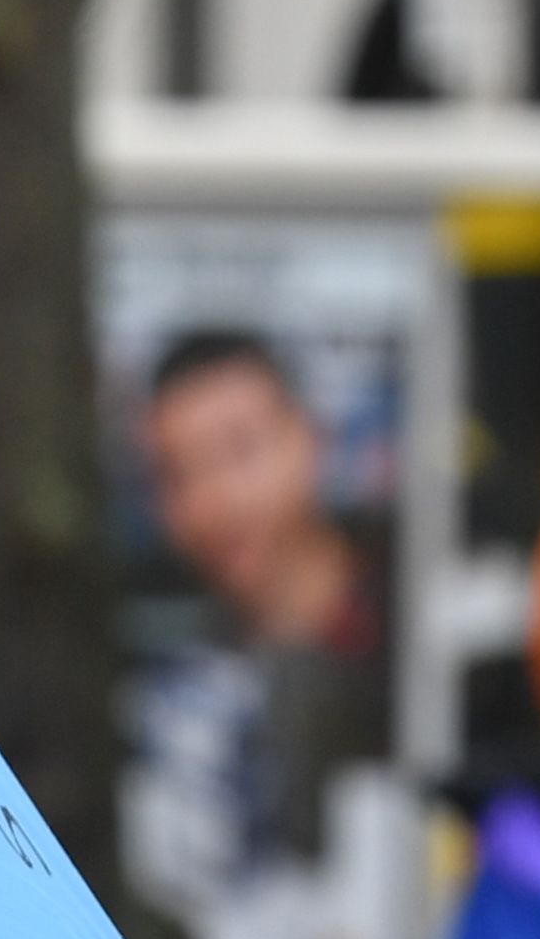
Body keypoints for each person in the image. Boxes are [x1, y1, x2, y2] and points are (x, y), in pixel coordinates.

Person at [138, 329, 390, 866]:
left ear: (312, 438)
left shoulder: (420, 641)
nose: (213, 500)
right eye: (177, 474)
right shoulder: (164, 681)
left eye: (238, 451)